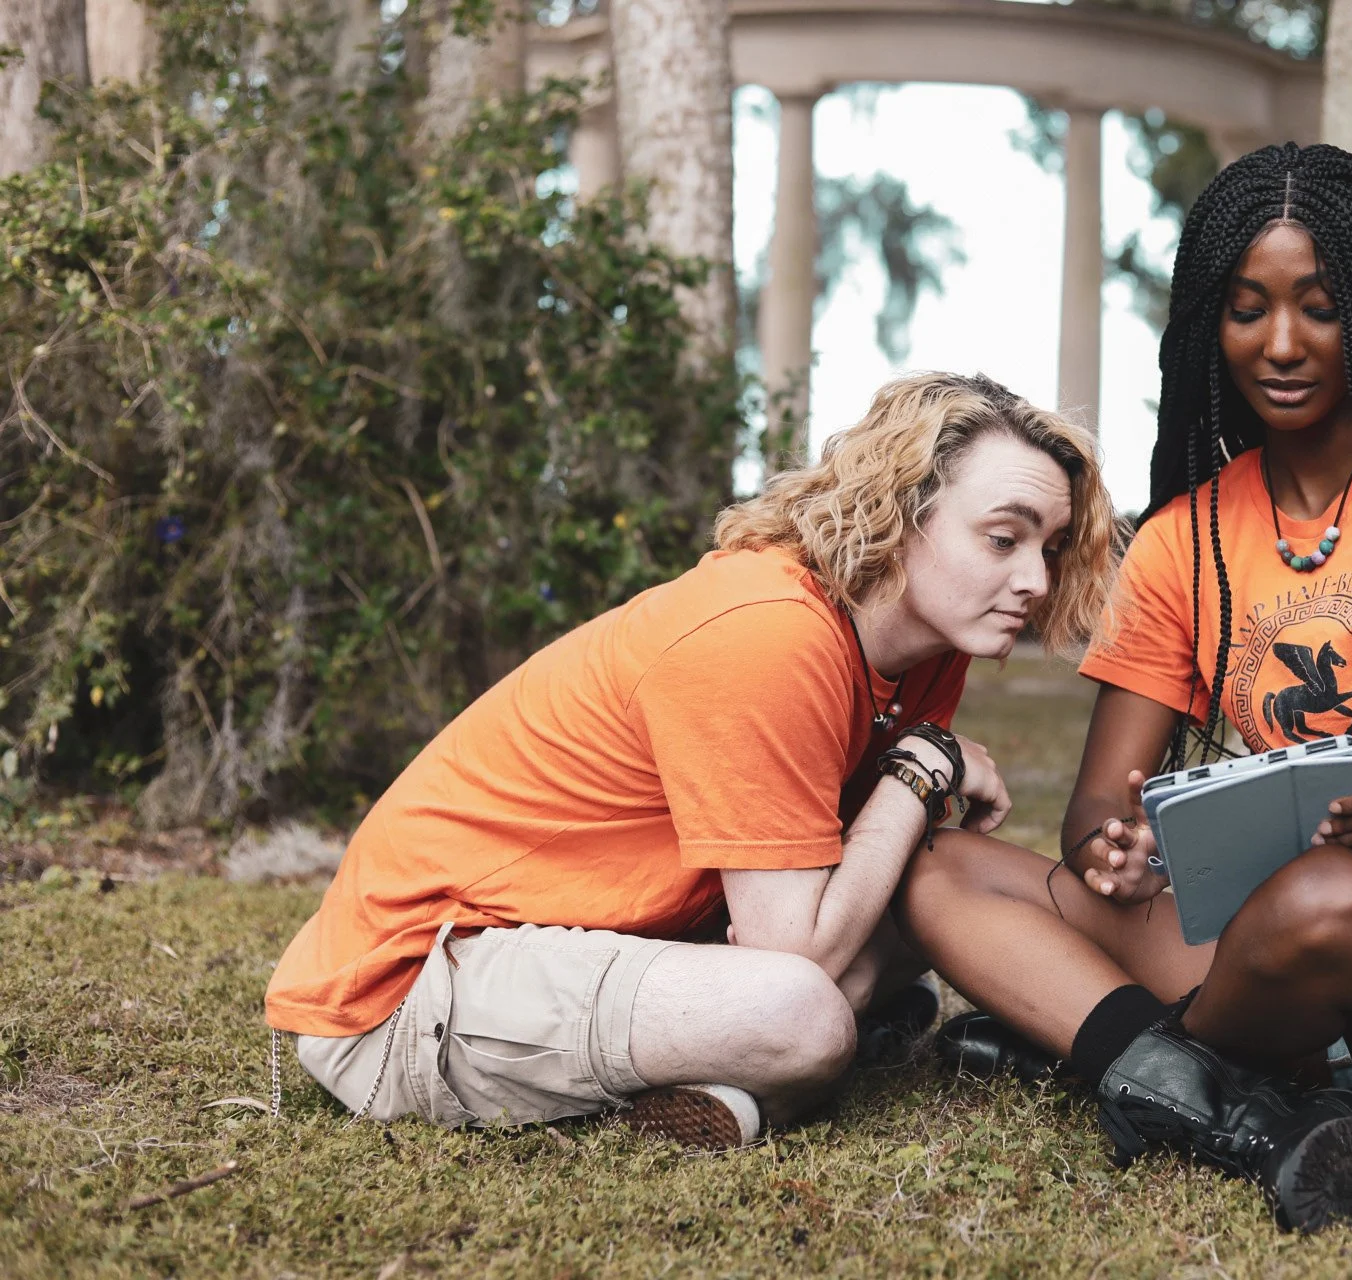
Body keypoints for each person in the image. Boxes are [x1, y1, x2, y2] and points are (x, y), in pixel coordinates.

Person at [900, 144, 1352, 1232]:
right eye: (1247, 310)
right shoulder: (1186, 535)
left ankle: (1125, 1055)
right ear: (1208, 323)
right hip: (1263, 939)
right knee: (945, 866)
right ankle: (1234, 1090)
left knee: (1324, 895)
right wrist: (1115, 844)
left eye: (1319, 308)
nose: (1281, 344)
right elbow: (1101, 803)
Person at [265, 372, 1120, 1145]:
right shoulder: (768, 633)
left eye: (1048, 548)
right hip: (410, 988)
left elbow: (834, 876)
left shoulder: (926, 650)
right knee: (804, 1010)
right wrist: (921, 768)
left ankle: (733, 1087)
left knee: (930, 888)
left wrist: (911, 781)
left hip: (575, 936)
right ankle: (777, 1066)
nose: (1037, 584)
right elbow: (798, 954)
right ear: (899, 517)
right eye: (1003, 540)